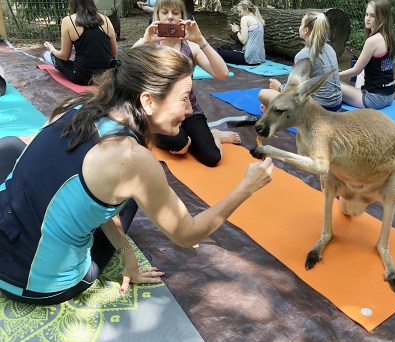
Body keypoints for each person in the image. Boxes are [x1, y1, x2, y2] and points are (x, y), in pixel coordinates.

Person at [0, 44, 274, 305]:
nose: (190, 110)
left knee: (12, 147)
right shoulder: (131, 158)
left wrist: (127, 253)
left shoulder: (77, 107)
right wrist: (246, 188)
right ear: (148, 101)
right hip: (38, 286)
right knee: (131, 195)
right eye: (184, 99)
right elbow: (187, 235)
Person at [134, 0, 241, 167]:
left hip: (188, 111)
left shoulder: (191, 47)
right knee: (180, 145)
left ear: (183, 17)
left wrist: (201, 40)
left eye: (175, 13)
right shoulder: (149, 46)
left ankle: (215, 134)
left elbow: (222, 73)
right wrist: (143, 41)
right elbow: (123, 68)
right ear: (157, 16)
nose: (170, 17)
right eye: (165, 12)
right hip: (160, 113)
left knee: (213, 158)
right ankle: (180, 137)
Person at [258, 12, 342, 112]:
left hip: (320, 110)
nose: (299, 27)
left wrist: (279, 87)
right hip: (336, 106)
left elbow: (295, 91)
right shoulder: (330, 49)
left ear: (306, 30)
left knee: (262, 94)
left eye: (301, 24)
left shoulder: (304, 55)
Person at [43, 0, 117, 86]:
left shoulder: (68, 21)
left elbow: (64, 56)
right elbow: (115, 53)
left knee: (47, 55)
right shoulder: (106, 19)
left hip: (82, 77)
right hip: (107, 75)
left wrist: (52, 49)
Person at [338, 0, 395, 110]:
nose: (367, 18)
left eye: (372, 16)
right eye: (366, 14)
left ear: (382, 18)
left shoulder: (372, 41)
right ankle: (356, 94)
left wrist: (333, 76)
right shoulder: (388, 36)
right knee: (363, 72)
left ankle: (356, 95)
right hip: (389, 94)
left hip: (374, 99)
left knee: (328, 84)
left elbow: (355, 70)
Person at [217, 0, 265, 65]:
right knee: (225, 48)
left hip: (249, 58)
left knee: (220, 53)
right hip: (260, 58)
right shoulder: (257, 19)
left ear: (246, 9)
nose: (239, 14)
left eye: (240, 12)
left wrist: (236, 31)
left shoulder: (245, 19)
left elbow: (243, 41)